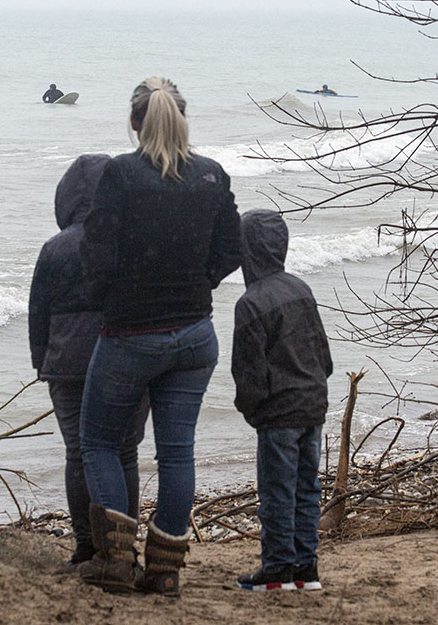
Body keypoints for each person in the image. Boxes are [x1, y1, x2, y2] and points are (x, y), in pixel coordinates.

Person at [77, 76, 241, 595]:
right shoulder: (211, 176)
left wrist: (114, 295)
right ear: (184, 120)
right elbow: (231, 249)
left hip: (130, 334)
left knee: (100, 441)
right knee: (176, 452)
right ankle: (165, 570)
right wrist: (198, 282)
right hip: (195, 335)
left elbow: (96, 253)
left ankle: (116, 563)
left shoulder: (120, 175)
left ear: (133, 123)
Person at [28, 153, 149, 570]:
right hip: (128, 357)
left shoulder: (54, 248)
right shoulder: (132, 241)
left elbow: (37, 313)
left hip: (67, 364)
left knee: (79, 453)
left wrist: (40, 360)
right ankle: (123, 550)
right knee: (124, 453)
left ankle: (86, 548)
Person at [231, 208, 333, 592]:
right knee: (307, 488)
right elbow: (323, 354)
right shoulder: (301, 289)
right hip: (312, 404)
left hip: (279, 413)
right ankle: (306, 568)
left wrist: (253, 410)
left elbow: (248, 373)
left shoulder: (251, 302)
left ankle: (277, 567)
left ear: (246, 251)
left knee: (278, 492)